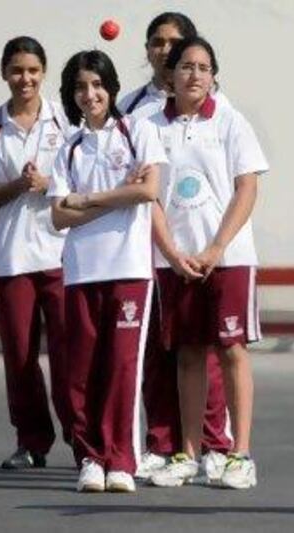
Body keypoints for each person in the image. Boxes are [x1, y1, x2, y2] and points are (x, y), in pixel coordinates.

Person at [144, 36, 268, 490]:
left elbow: (247, 189)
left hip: (228, 260)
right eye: (186, 66)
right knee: (189, 354)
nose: (194, 74)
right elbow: (150, 196)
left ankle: (240, 455)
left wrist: (216, 248)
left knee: (232, 351)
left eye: (203, 67)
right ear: (171, 75)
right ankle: (189, 454)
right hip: (175, 262)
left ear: (214, 75)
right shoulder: (151, 126)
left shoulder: (232, 124)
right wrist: (173, 253)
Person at [119, 11, 233, 482]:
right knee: (158, 354)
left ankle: (214, 444)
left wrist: (213, 246)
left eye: (174, 43)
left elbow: (232, 181)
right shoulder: (132, 107)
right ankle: (162, 445)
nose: (165, 51)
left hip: (202, 251)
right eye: (157, 43)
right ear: (147, 50)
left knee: (206, 351)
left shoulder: (218, 107)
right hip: (148, 252)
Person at [48, 49, 167, 493]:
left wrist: (88, 198)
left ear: (111, 87)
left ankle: (120, 459)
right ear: (72, 94)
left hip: (129, 269)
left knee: (121, 367)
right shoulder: (70, 146)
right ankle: (90, 459)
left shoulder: (138, 131)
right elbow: (58, 218)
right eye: (81, 87)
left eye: (97, 85)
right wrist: (120, 193)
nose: (90, 94)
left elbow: (149, 190)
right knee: (82, 370)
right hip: (81, 270)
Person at [0, 36, 71, 470]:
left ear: (43, 72)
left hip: (64, 255)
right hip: (12, 257)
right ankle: (32, 441)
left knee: (73, 354)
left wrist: (47, 184)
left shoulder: (65, 120)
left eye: (32, 70)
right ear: (4, 73)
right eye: (17, 70)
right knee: (20, 356)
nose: (24, 78)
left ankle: (85, 441)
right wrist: (18, 185)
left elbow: (83, 181)